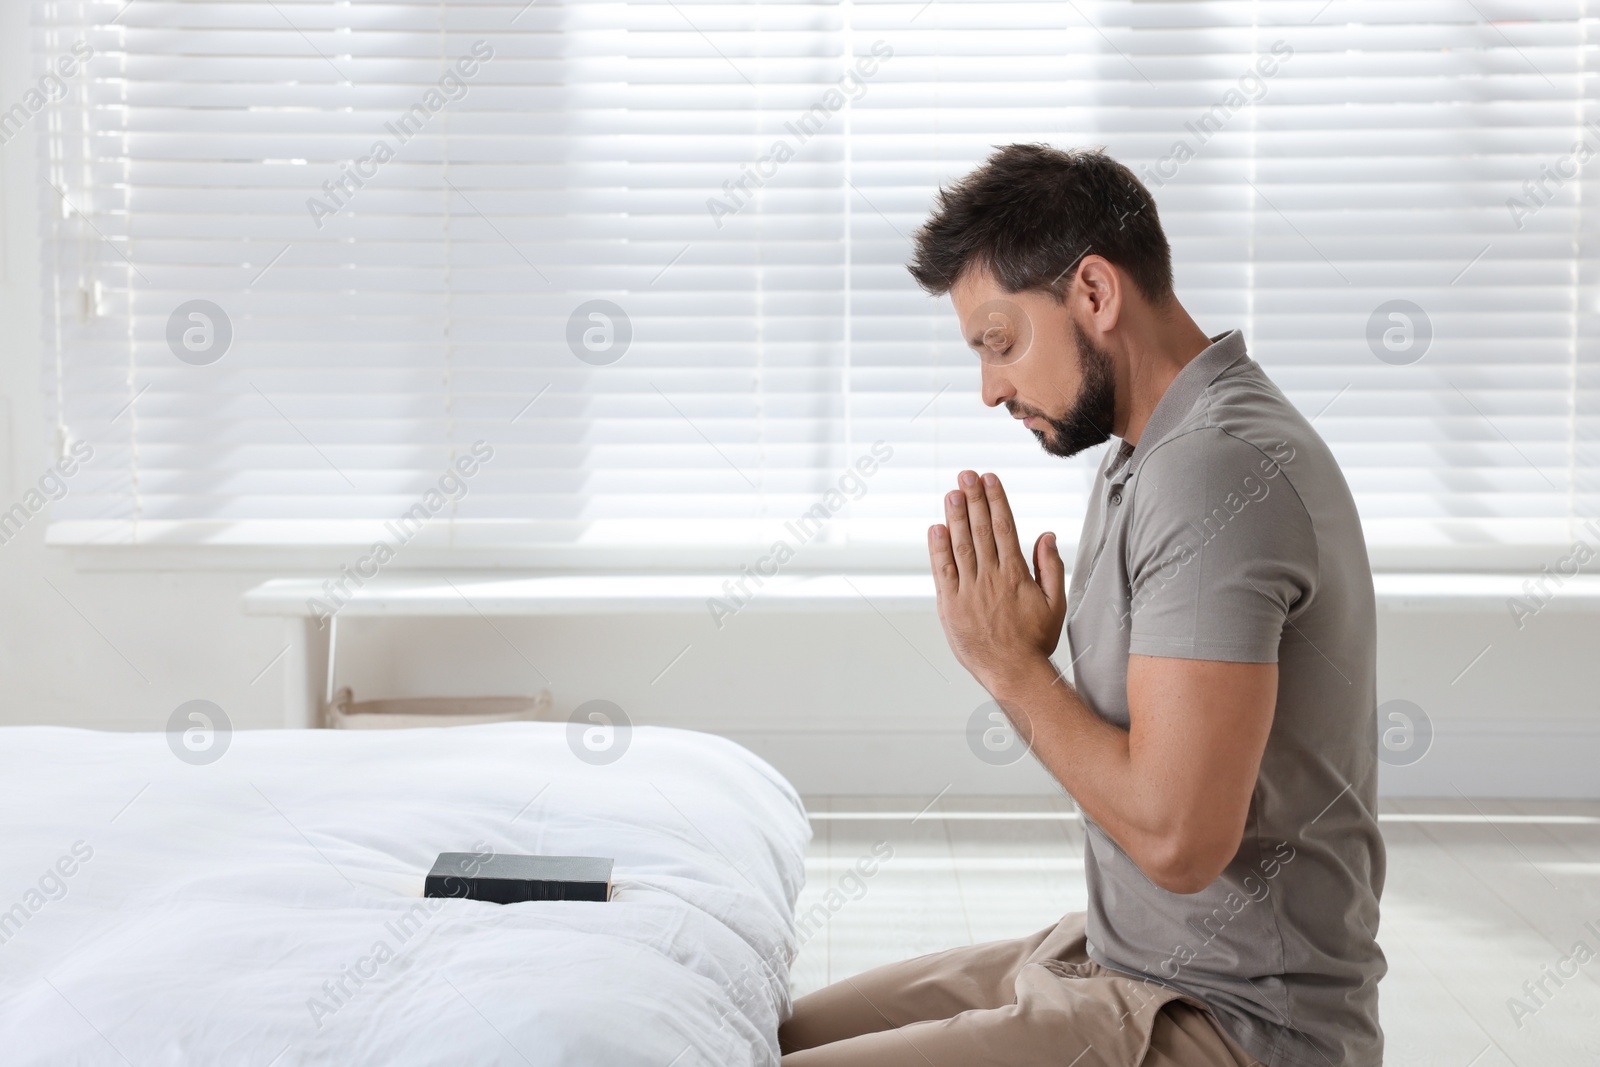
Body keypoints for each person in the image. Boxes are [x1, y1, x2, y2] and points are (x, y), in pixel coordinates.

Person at [779, 144, 1385, 1067]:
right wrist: (1019, 660)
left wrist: (1011, 668)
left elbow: (1180, 839)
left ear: (1095, 294)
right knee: (753, 1036)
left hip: (1230, 1025)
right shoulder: (1146, 452)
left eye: (1001, 341)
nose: (990, 389)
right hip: (1119, 958)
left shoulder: (1214, 470)